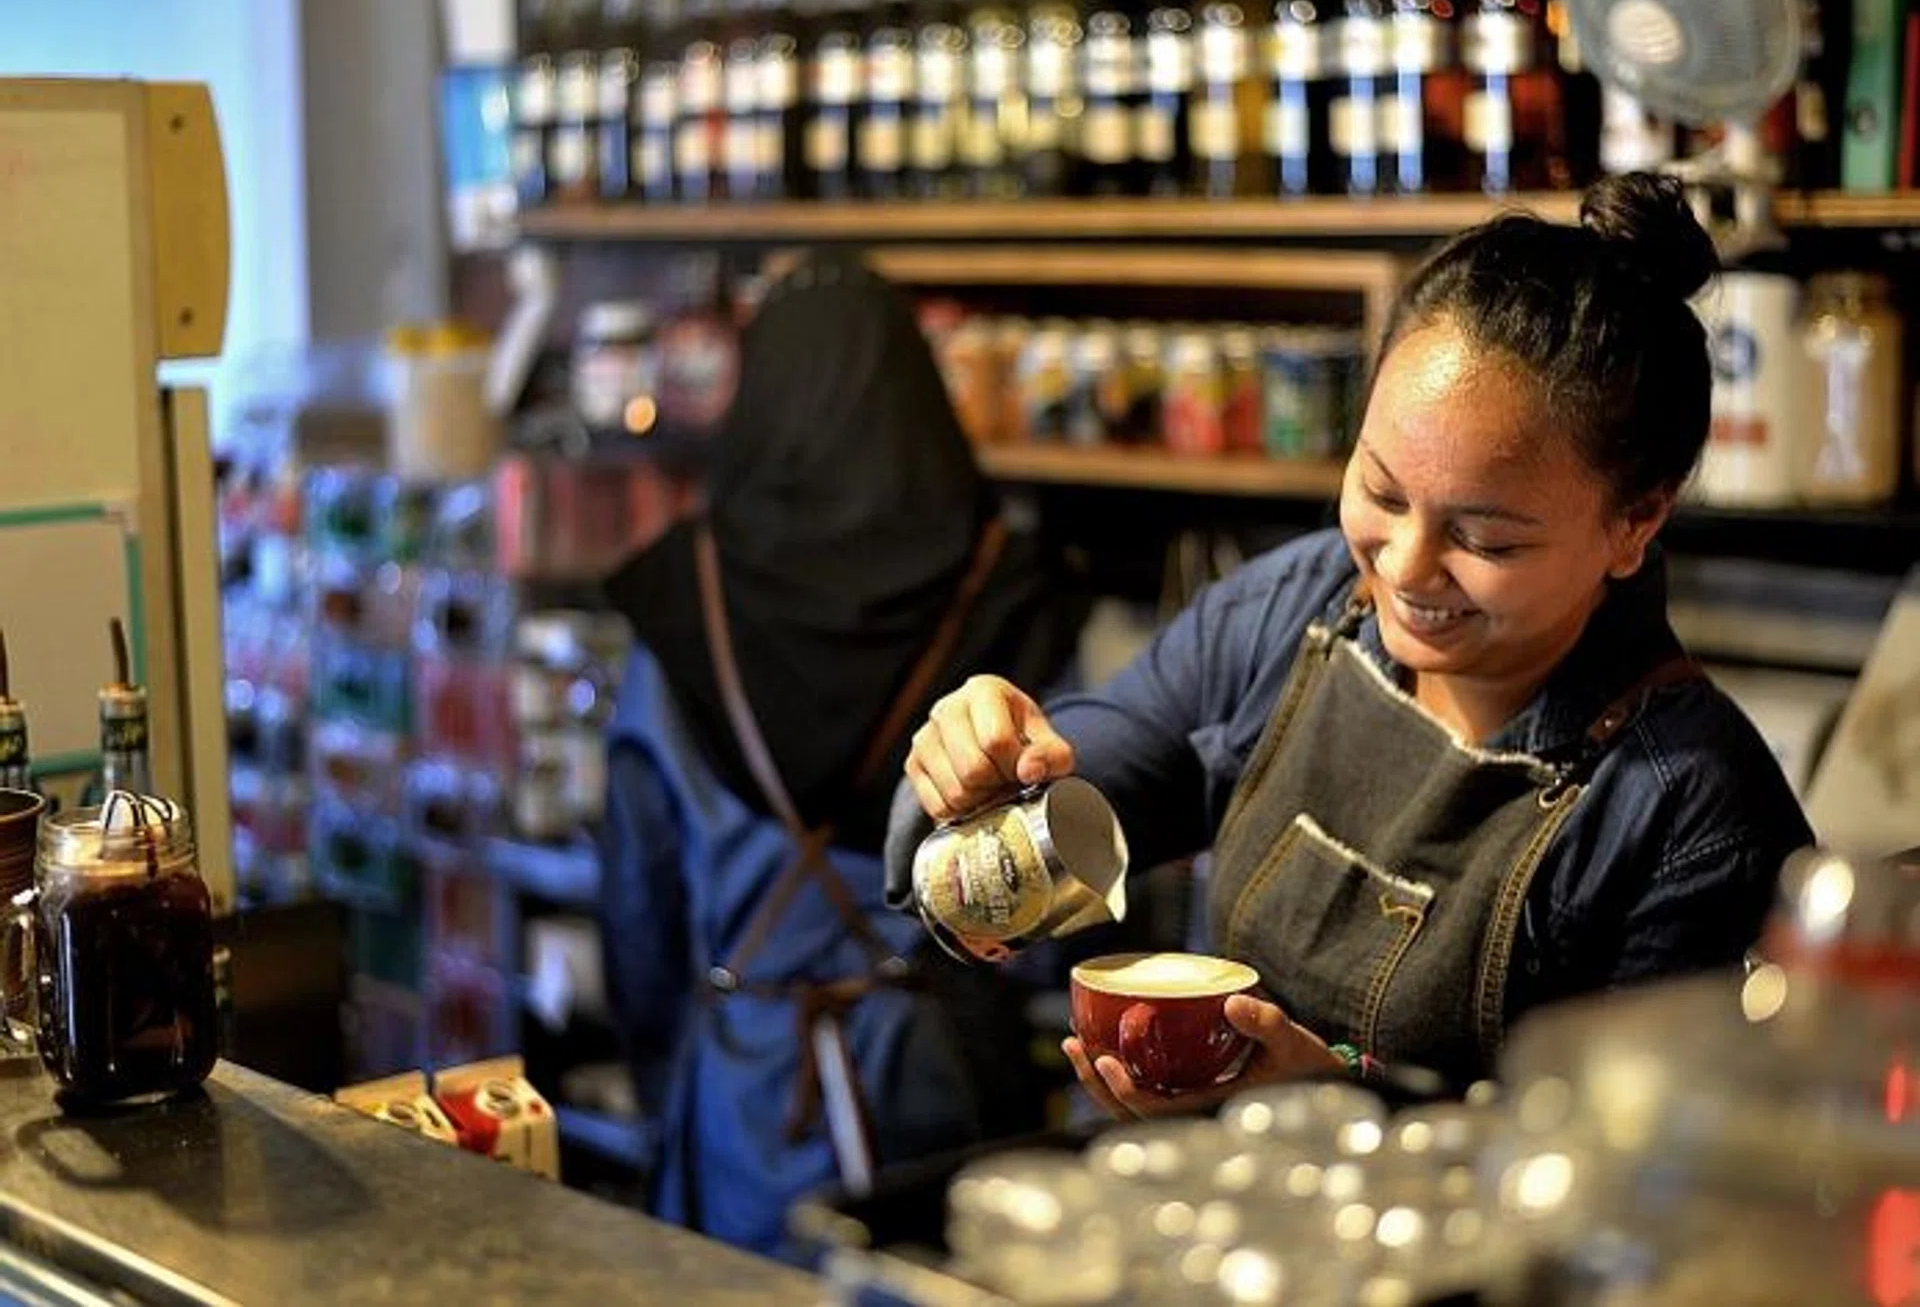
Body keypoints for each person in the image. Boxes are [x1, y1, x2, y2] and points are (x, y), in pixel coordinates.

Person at [886, 172, 1815, 1118]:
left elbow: (1639, 1194)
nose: (1406, 568)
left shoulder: (1694, 823)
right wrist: (982, 779)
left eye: (1485, 539)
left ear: (1636, 521)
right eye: (1380, 491)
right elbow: (1098, 774)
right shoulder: (1297, 609)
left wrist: (1348, 1114)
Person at [598, 252, 1088, 1259]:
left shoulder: (685, 610)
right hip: (950, 1079)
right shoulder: (1008, 594)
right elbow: (1085, 884)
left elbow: (638, 906)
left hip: (746, 1085)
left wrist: (662, 1077)